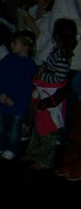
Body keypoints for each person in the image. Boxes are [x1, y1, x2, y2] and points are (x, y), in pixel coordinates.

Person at [24, 18, 77, 170]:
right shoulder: (57, 50)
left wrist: (42, 75)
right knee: (38, 125)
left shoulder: (62, 54)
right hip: (45, 92)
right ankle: (33, 153)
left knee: (49, 128)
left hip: (51, 97)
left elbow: (59, 77)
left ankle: (46, 159)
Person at [0, 31, 37, 160]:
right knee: (1, 125)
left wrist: (15, 99)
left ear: (26, 46)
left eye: (15, 43)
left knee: (15, 129)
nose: (11, 45)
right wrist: (1, 92)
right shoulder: (8, 59)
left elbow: (27, 86)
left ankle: (12, 149)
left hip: (18, 103)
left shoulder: (30, 65)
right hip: (4, 99)